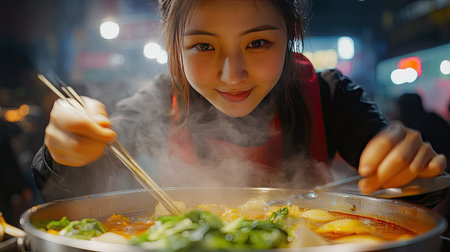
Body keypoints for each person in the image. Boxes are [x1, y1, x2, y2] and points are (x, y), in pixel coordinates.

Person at [32, 0, 447, 202]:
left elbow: (414, 202)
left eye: (259, 42)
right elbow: (64, 197)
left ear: (291, 35)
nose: (232, 74)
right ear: (175, 49)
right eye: (203, 47)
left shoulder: (328, 95)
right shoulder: (157, 102)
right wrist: (63, 153)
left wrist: (414, 175)